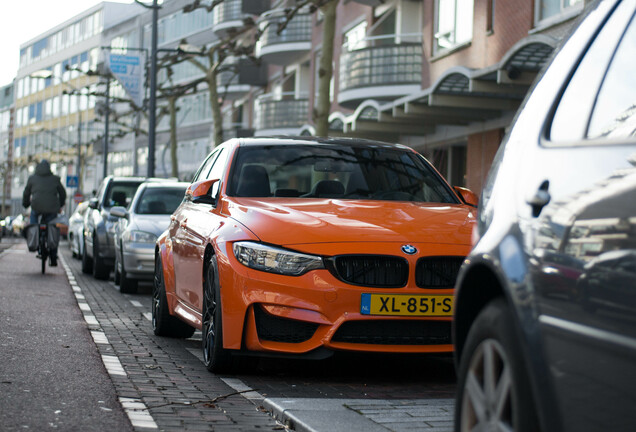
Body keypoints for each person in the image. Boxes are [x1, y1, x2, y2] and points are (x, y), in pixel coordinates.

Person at [22, 160, 66, 266]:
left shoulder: (32, 179)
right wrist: (59, 205)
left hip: (36, 207)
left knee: (33, 222)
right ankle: (53, 255)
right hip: (52, 208)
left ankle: (34, 242)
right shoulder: (55, 179)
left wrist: (26, 204)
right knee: (52, 227)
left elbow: (26, 193)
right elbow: (62, 193)